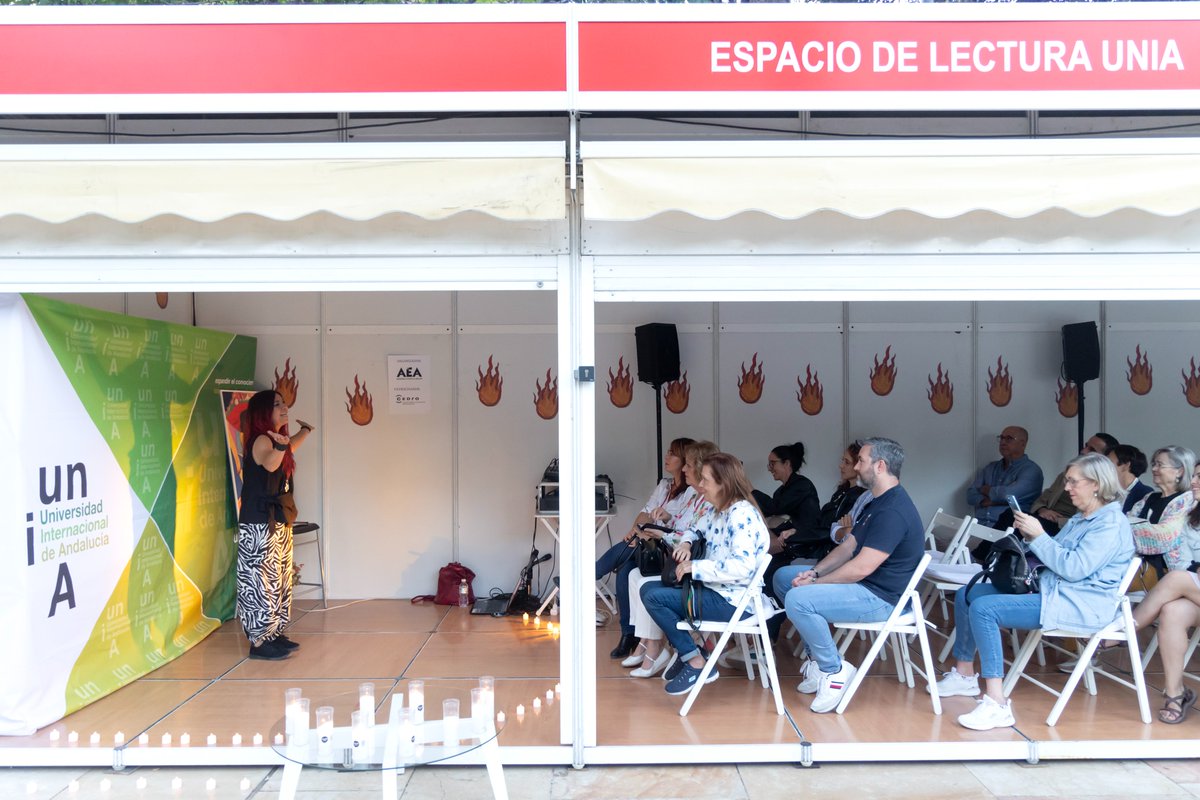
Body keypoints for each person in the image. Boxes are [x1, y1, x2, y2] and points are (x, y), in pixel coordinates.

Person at [933, 453, 1134, 732]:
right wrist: (1029, 537)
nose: (1067, 488)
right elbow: (1056, 557)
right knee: (971, 593)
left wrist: (1039, 536)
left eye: (1074, 482)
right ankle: (965, 674)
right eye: (1067, 481)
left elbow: (1073, 568)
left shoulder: (1110, 523)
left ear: (1097, 484)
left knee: (985, 608)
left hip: (1078, 603)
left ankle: (997, 703)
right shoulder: (1083, 517)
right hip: (1054, 591)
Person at [772, 437, 925, 714]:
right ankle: (819, 661)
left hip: (880, 598)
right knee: (784, 577)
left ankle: (835, 670)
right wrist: (814, 571)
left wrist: (814, 583)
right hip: (865, 585)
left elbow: (861, 568)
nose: (856, 467)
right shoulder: (877, 502)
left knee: (798, 599)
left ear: (880, 466)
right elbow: (848, 547)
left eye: (861, 461)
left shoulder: (893, 510)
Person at [640, 452, 770, 695]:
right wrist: (687, 543)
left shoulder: (741, 514)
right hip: (716, 592)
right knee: (648, 589)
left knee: (654, 597)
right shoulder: (717, 510)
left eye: (706, 480)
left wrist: (696, 568)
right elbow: (693, 529)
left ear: (724, 484)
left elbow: (742, 567)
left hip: (734, 601)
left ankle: (696, 661)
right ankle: (692, 652)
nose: (700, 486)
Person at [623, 441, 718, 677]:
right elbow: (686, 530)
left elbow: (697, 541)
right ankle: (647, 641)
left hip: (693, 574)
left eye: (687, 464)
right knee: (634, 572)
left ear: (700, 468)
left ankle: (655, 647)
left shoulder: (708, 501)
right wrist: (665, 525)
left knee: (642, 581)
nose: (684, 470)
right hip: (680, 563)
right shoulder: (693, 496)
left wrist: (664, 533)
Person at [597, 437, 695, 660]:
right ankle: (628, 634)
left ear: (685, 460)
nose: (667, 457)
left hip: (667, 552)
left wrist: (644, 531)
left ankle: (588, 577)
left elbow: (681, 526)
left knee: (626, 563)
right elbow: (645, 511)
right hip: (647, 545)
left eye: (673, 454)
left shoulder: (692, 493)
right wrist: (635, 531)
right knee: (625, 569)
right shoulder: (664, 485)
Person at [237, 389, 314, 660]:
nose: (284, 408)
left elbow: (287, 447)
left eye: (284, 403)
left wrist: (304, 431)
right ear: (262, 412)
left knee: (279, 578)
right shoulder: (260, 440)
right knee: (259, 580)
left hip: (277, 519)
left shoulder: (276, 440)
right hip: (258, 522)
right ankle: (259, 642)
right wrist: (282, 445)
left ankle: (273, 633)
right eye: (277, 405)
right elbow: (271, 464)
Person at [1131, 467, 1200, 723]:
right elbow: (1182, 556)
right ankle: (1175, 693)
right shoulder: (1192, 514)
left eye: (1199, 477)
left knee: (1177, 579)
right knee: (1172, 611)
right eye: (1194, 476)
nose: (1192, 482)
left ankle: (1127, 629)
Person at [1025, 432, 1119, 534]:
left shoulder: (1105, 487)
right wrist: (1043, 510)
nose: (1083, 451)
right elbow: (1043, 499)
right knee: (1014, 518)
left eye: (1091, 450)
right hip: (1045, 519)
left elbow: (1084, 522)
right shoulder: (1067, 474)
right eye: (1086, 446)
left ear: (1103, 459)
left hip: (1064, 526)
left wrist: (1057, 520)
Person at [1128, 445, 1196, 575]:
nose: (1154, 469)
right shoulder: (1149, 498)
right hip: (1137, 565)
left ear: (1180, 471)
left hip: (1167, 572)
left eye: (1160, 465)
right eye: (1154, 464)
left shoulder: (1188, 500)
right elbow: (1124, 521)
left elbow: (1162, 537)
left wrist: (1123, 530)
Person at [966, 426, 1043, 527]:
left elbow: (1008, 495)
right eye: (1001, 438)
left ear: (1023, 444)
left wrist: (987, 491)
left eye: (1009, 438)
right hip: (978, 526)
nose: (1003, 442)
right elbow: (970, 495)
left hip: (1008, 531)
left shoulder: (1032, 470)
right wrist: (993, 501)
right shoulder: (991, 467)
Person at [752, 442, 820, 543]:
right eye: (769, 464)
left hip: (805, 544)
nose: (770, 468)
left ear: (787, 463)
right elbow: (769, 511)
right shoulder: (780, 491)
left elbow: (775, 507)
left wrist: (749, 489)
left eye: (773, 463)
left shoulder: (802, 485)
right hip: (788, 542)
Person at [1110, 444, 1153, 514]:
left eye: (1109, 462)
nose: (1104, 467)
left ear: (1126, 465)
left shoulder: (1145, 494)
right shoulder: (1109, 491)